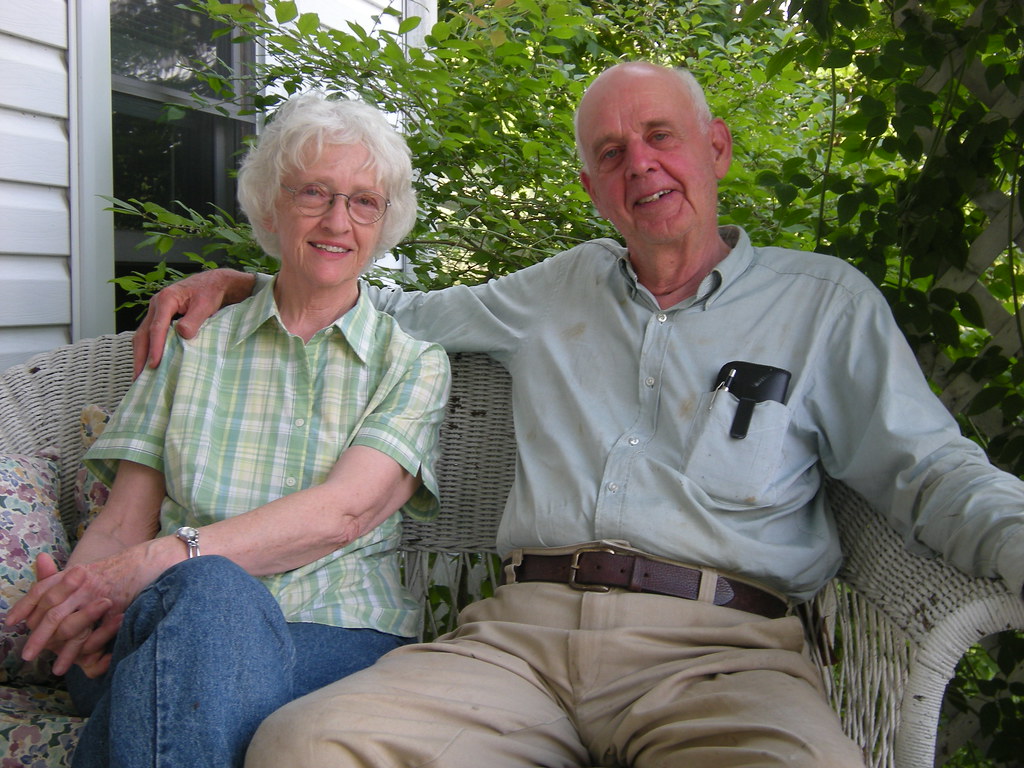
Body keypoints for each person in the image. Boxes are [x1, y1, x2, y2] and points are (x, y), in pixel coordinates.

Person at [132, 63, 1024, 768]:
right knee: (305, 746)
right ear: (595, 188)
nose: (640, 163)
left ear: (716, 148)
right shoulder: (555, 289)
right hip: (519, 643)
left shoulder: (823, 304)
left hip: (722, 656)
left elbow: (927, 469)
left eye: (661, 136)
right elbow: (390, 308)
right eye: (611, 152)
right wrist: (250, 282)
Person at [5, 91, 450, 768]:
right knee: (198, 608)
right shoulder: (193, 342)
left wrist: (160, 564)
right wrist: (80, 603)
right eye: (314, 192)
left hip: (333, 636)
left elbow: (344, 514)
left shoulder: (411, 363)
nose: (338, 220)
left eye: (364, 201)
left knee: (206, 597)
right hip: (152, 623)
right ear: (271, 206)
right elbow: (122, 523)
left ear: (384, 221)